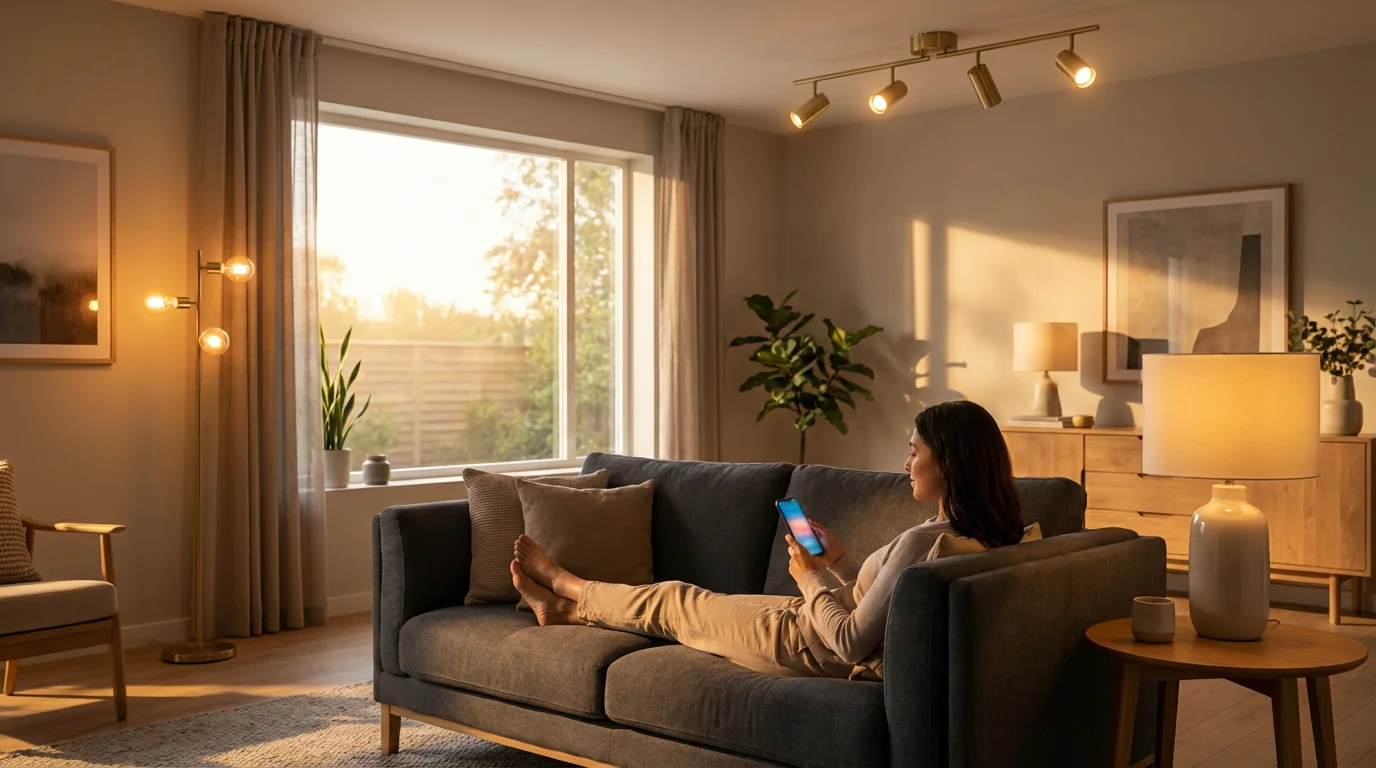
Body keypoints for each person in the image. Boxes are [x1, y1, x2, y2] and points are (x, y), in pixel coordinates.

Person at [510, 400, 1027, 680]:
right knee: (691, 604)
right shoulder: (984, 536)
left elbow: (851, 643)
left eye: (915, 452)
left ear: (948, 462)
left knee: (673, 599)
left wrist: (809, 578)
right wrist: (839, 560)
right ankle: (569, 612)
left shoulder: (923, 541)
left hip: (805, 642)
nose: (906, 463)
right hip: (807, 622)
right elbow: (890, 601)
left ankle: (566, 583)